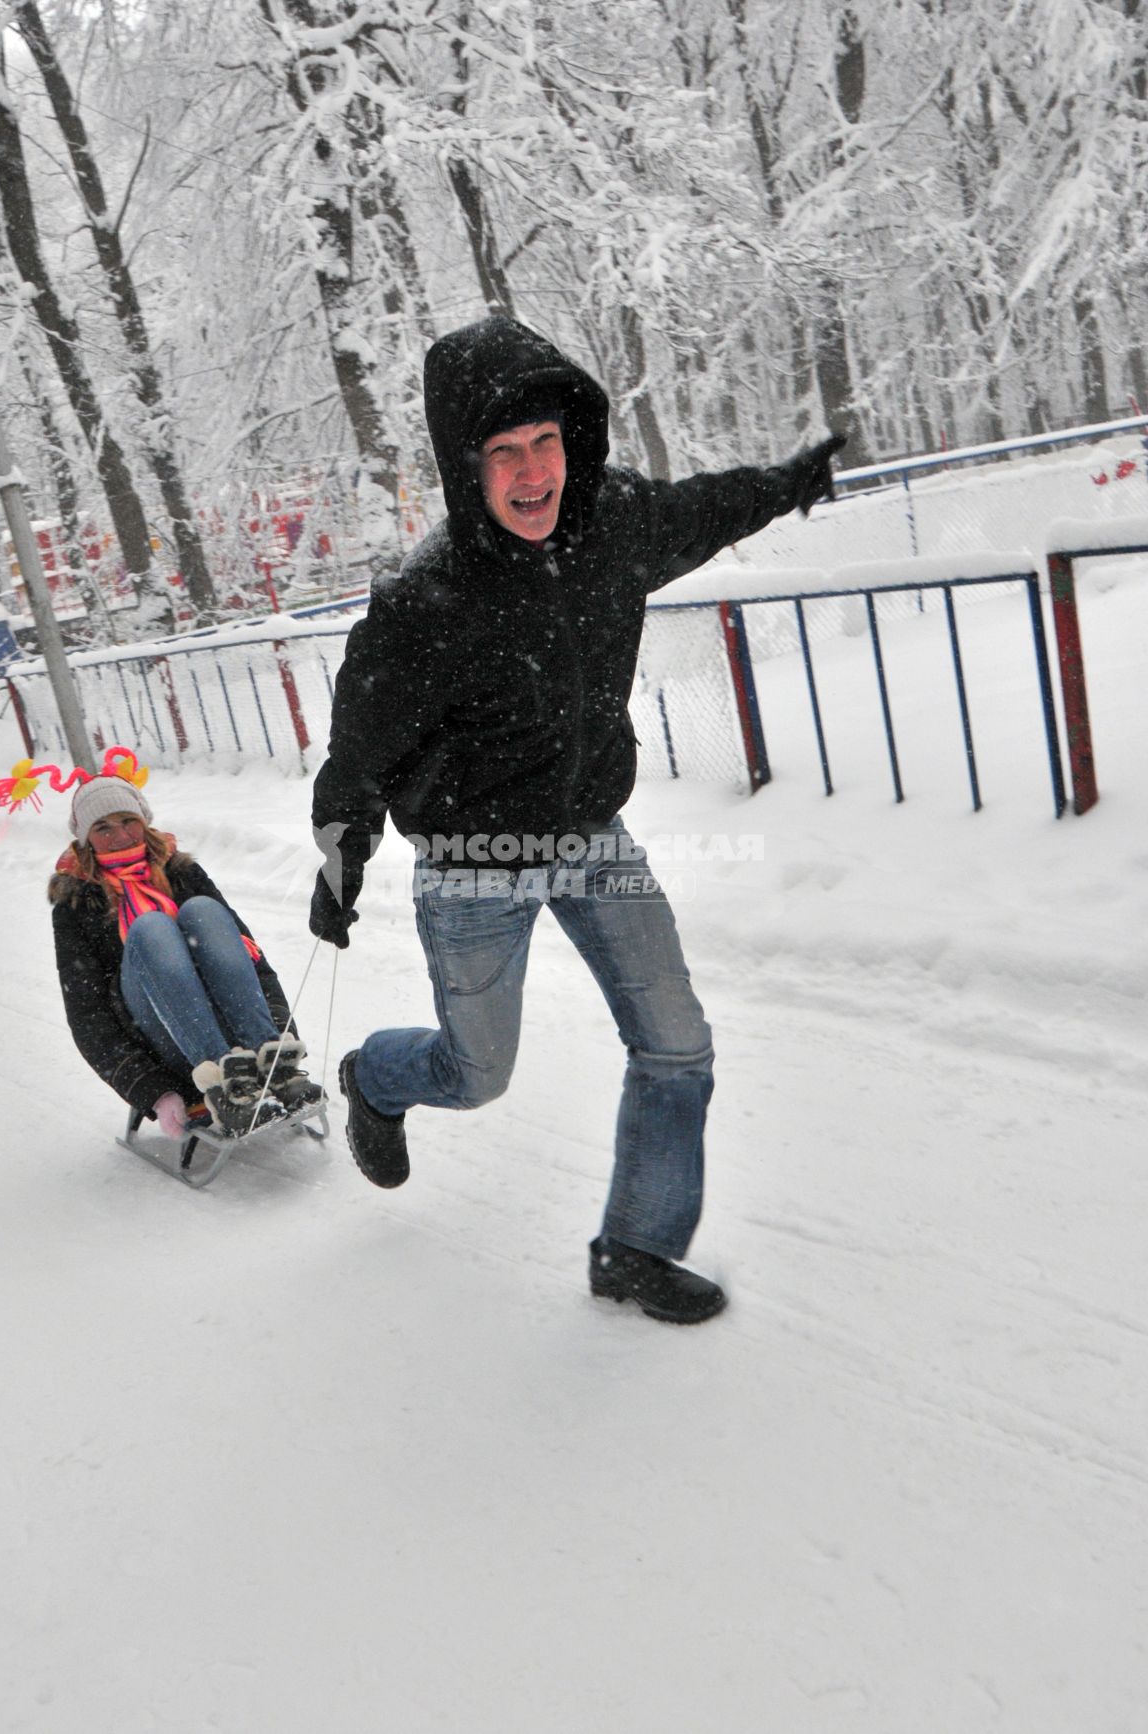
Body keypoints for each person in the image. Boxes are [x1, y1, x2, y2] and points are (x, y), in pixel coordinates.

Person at [309, 314, 845, 1324]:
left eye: (544, 443)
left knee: (677, 1044)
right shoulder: (426, 604)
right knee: (476, 1075)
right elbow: (359, 748)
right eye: (502, 453)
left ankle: (634, 1250)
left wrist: (783, 485)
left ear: (573, 440)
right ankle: (376, 1078)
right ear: (465, 467)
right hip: (473, 862)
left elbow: (700, 509)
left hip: (591, 836)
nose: (530, 474)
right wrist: (341, 857)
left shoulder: (610, 526)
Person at [51, 772, 321, 1139]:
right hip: (162, 1040)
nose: (120, 836)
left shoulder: (182, 873)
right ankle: (222, 1084)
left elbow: (250, 958)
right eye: (103, 828)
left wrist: (280, 1028)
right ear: (85, 839)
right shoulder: (76, 902)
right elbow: (87, 1014)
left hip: (235, 1023)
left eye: (128, 821)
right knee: (151, 929)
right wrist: (153, 1089)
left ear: (144, 823)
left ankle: (272, 1063)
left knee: (203, 911)